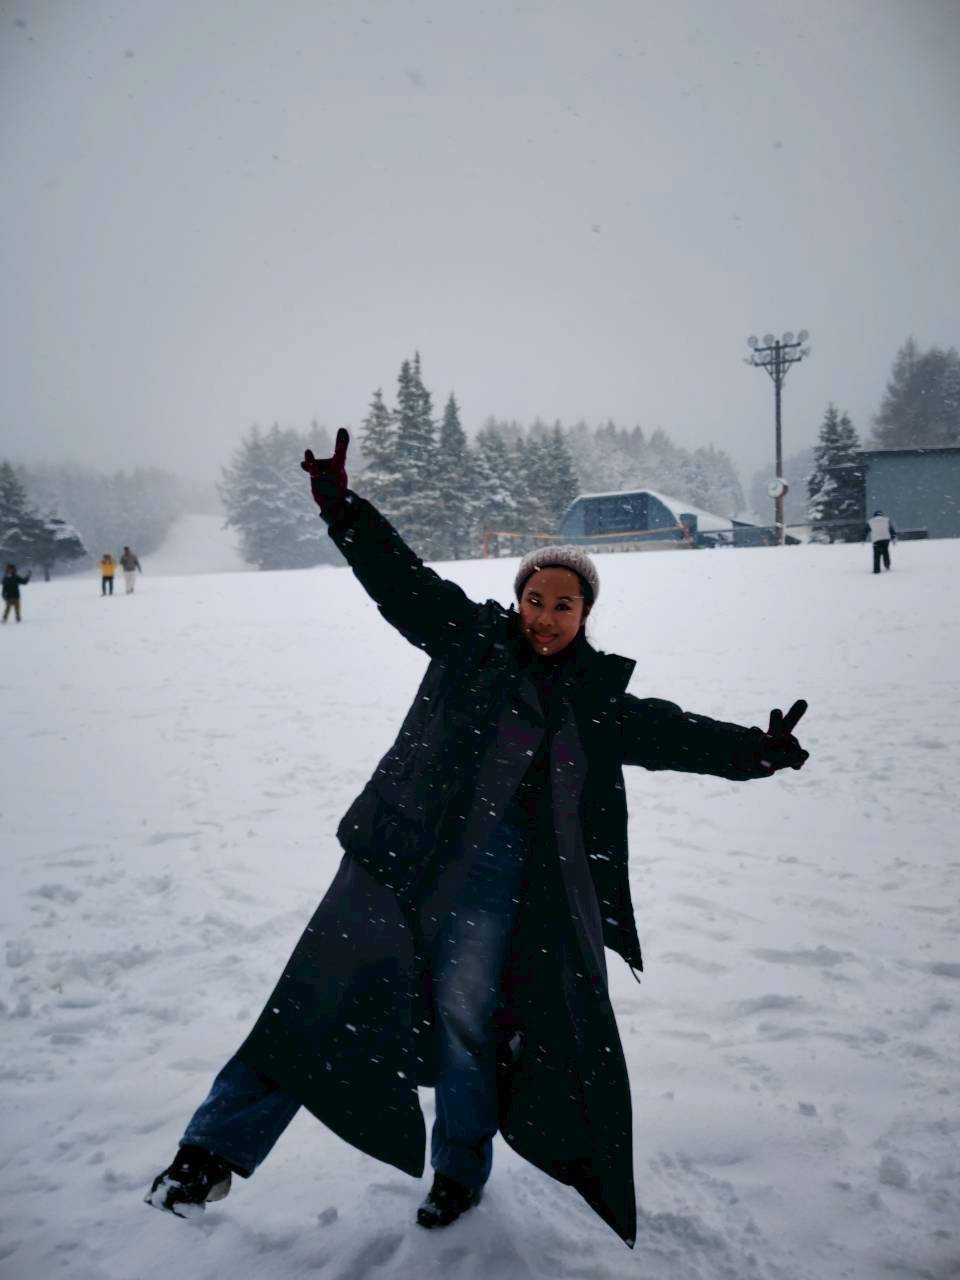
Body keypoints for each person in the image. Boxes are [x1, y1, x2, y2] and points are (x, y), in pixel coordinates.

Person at [145, 430, 809, 1246]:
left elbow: (672, 733)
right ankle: (205, 1157)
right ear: (518, 599)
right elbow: (401, 581)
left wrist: (755, 751)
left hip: (493, 892)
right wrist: (345, 512)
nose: (545, 616)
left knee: (468, 1030)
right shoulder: (467, 639)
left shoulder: (592, 697)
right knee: (311, 1000)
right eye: (535, 599)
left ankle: (458, 1172)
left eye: (563, 605)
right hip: (397, 859)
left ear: (585, 613)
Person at [865, 510, 897, 574]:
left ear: (874, 515)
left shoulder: (870, 521)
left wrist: (863, 538)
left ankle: (876, 570)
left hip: (876, 540)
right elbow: (891, 529)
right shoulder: (887, 520)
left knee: (876, 555)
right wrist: (893, 537)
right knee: (885, 552)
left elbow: (866, 531)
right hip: (886, 539)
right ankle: (887, 565)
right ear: (882, 514)